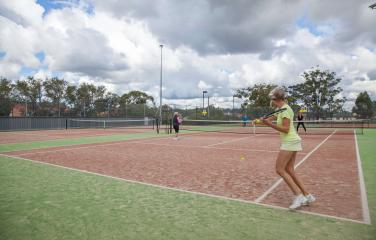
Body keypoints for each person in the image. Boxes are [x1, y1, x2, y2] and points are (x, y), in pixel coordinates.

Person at [255, 87, 315, 210]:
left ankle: (298, 196)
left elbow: (286, 129)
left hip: (290, 141)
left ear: (275, 99)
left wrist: (268, 124)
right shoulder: (280, 109)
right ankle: (307, 195)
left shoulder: (286, 110)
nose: (271, 101)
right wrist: (258, 121)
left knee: (279, 169)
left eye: (272, 98)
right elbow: (268, 120)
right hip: (292, 141)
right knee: (290, 170)